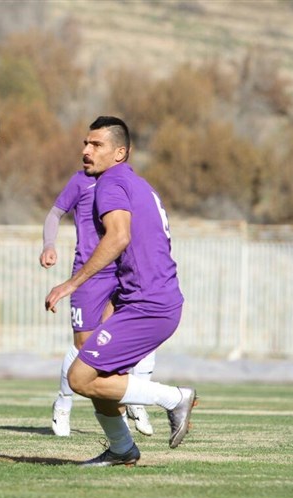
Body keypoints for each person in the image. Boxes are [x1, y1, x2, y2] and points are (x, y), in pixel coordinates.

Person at [45, 116, 196, 466]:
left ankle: (175, 398)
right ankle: (122, 448)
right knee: (98, 375)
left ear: (119, 152)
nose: (86, 150)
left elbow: (118, 237)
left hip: (148, 305)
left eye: (96, 145)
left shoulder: (110, 184)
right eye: (85, 143)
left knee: (80, 377)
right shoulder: (137, 183)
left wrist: (71, 283)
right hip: (146, 300)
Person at [40, 171, 156, 437]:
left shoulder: (127, 181)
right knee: (85, 346)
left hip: (124, 270)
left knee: (141, 333)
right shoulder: (81, 180)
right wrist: (49, 244)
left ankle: (136, 401)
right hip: (90, 274)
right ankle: (63, 404)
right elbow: (55, 213)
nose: (89, 151)